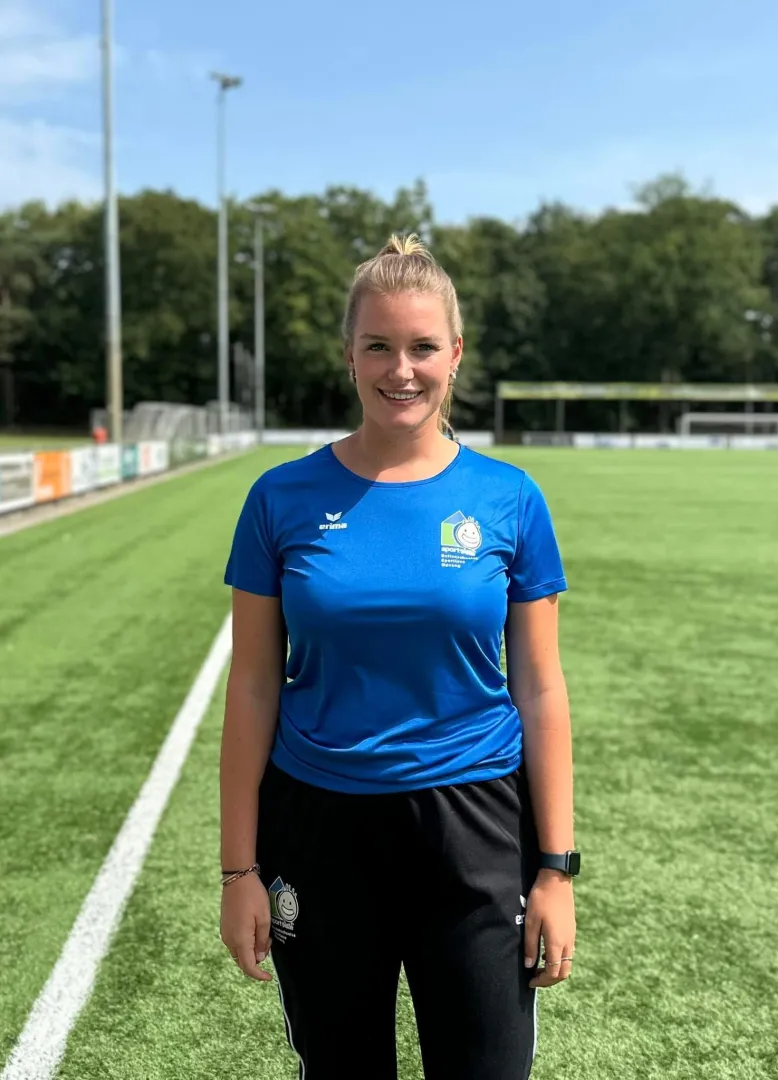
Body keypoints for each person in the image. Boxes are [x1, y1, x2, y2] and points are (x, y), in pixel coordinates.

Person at [219, 234, 579, 1080]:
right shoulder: (279, 498)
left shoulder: (508, 498)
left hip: (475, 824)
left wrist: (555, 872)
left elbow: (539, 688)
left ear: (455, 354)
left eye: (422, 347)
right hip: (320, 827)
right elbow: (254, 687)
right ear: (349, 355)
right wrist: (238, 870)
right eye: (378, 346)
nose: (401, 370)